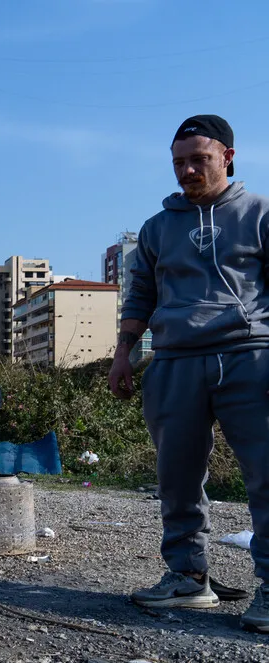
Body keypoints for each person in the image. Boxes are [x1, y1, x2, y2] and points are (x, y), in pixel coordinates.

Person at [110, 114, 269, 632]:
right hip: (175, 361)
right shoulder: (158, 228)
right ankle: (187, 577)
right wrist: (123, 353)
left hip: (250, 356)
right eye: (179, 162)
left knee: (266, 477)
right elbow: (141, 296)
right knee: (177, 478)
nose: (188, 171)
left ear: (227, 156)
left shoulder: (260, 212)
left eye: (198, 159)